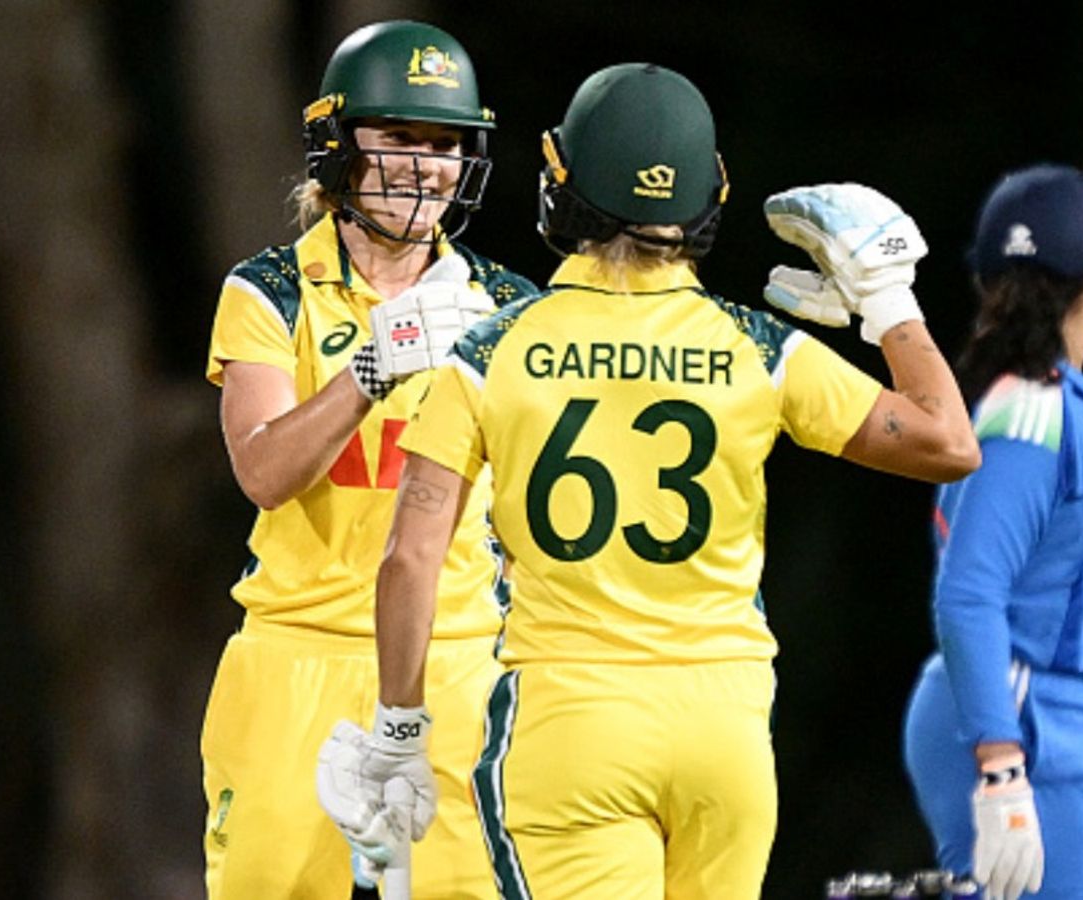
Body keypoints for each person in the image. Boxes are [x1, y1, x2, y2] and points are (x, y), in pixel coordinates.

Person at [338, 62, 979, 899]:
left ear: (563, 181)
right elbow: (947, 441)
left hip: (573, 726)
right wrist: (888, 300)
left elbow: (411, 558)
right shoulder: (757, 347)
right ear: (704, 193)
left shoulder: (490, 352)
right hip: (726, 731)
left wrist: (396, 731)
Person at [199, 19, 536, 899]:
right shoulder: (268, 289)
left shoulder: (507, 304)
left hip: (457, 661)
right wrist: (372, 368)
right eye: (397, 138)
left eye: (444, 143)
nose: (423, 165)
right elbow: (266, 474)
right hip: (296, 659)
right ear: (339, 145)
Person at [900, 164, 1083, 900]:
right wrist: (1001, 765)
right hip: (1037, 726)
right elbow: (969, 594)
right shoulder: (1029, 416)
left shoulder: (1072, 410)